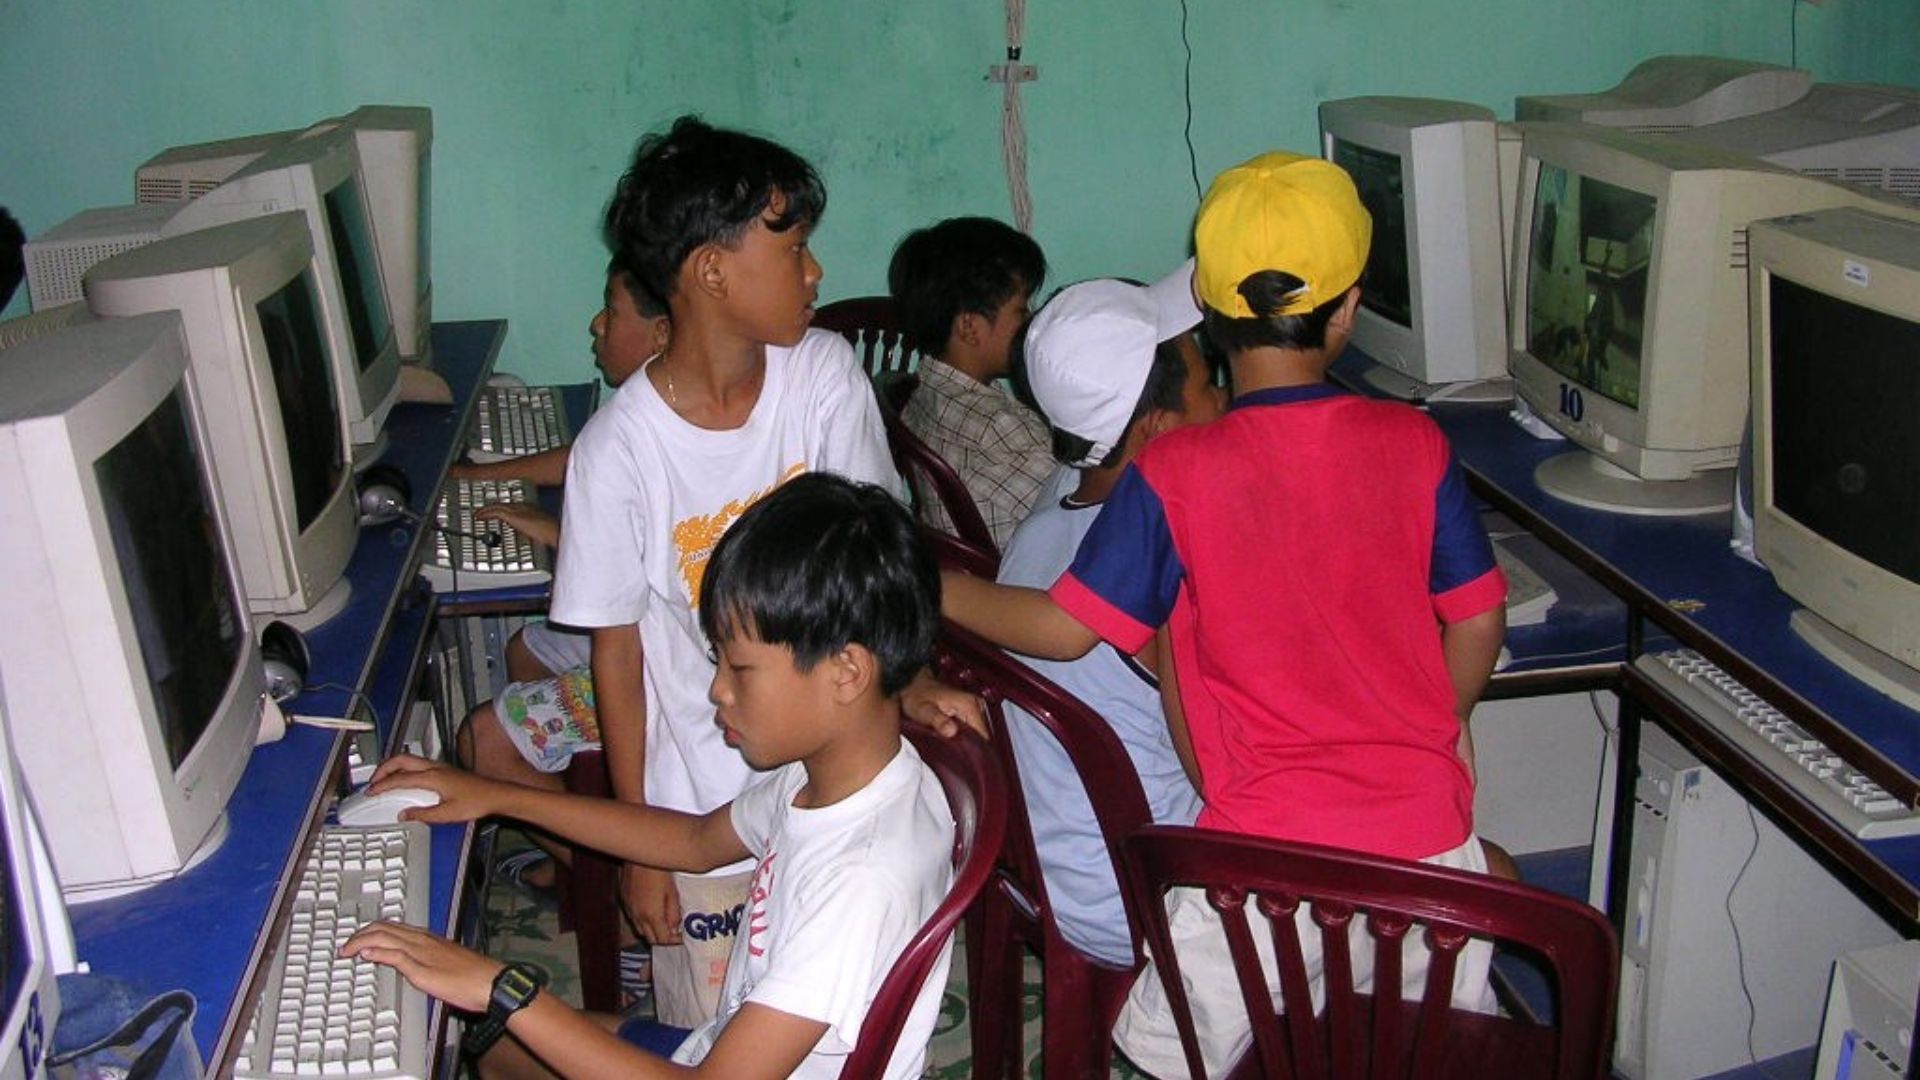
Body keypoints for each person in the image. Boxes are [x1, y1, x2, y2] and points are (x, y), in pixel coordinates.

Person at [941, 151, 1509, 1075]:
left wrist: (923, 584)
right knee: (1408, 1054)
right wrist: (1418, 740)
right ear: (1351, 306)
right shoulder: (1419, 442)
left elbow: (1064, 628)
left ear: (1206, 304)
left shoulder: (1171, 475)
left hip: (1255, 870)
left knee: (1186, 1057)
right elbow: (1479, 622)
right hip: (1425, 856)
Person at [513, 115, 974, 1029]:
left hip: (838, 786)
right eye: (794, 247)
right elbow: (619, 657)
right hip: (704, 806)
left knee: (834, 1010)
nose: (816, 272)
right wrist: (644, 851)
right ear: (712, 272)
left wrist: (910, 680)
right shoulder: (622, 451)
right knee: (712, 1022)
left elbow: (877, 570)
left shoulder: (824, 377)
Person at [344, 473, 957, 1080]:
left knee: (501, 1025)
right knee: (497, 1043)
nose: (717, 691)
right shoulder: (831, 776)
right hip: (724, 1046)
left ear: (846, 672)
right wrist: (493, 796)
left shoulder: (863, 879)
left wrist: (501, 987)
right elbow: (691, 842)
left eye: (740, 670)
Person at [992, 263, 1222, 966]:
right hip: (1155, 894)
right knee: (1466, 868)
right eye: (1209, 385)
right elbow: (1233, 769)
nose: (1223, 401)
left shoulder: (1060, 499)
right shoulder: (1162, 556)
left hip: (1068, 877)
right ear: (1155, 427)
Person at [449, 260, 671, 686]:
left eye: (612, 309)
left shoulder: (670, 423)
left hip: (661, 650)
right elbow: (586, 457)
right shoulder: (651, 406)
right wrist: (477, 477)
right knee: (528, 648)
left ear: (660, 333)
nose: (596, 323)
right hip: (648, 630)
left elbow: (659, 572)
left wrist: (556, 533)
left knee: (485, 735)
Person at [890, 216, 1058, 549]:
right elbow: (1085, 520)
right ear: (969, 327)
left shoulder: (922, 395)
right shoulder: (1001, 428)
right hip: (1024, 584)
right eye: (1022, 311)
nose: (1033, 324)